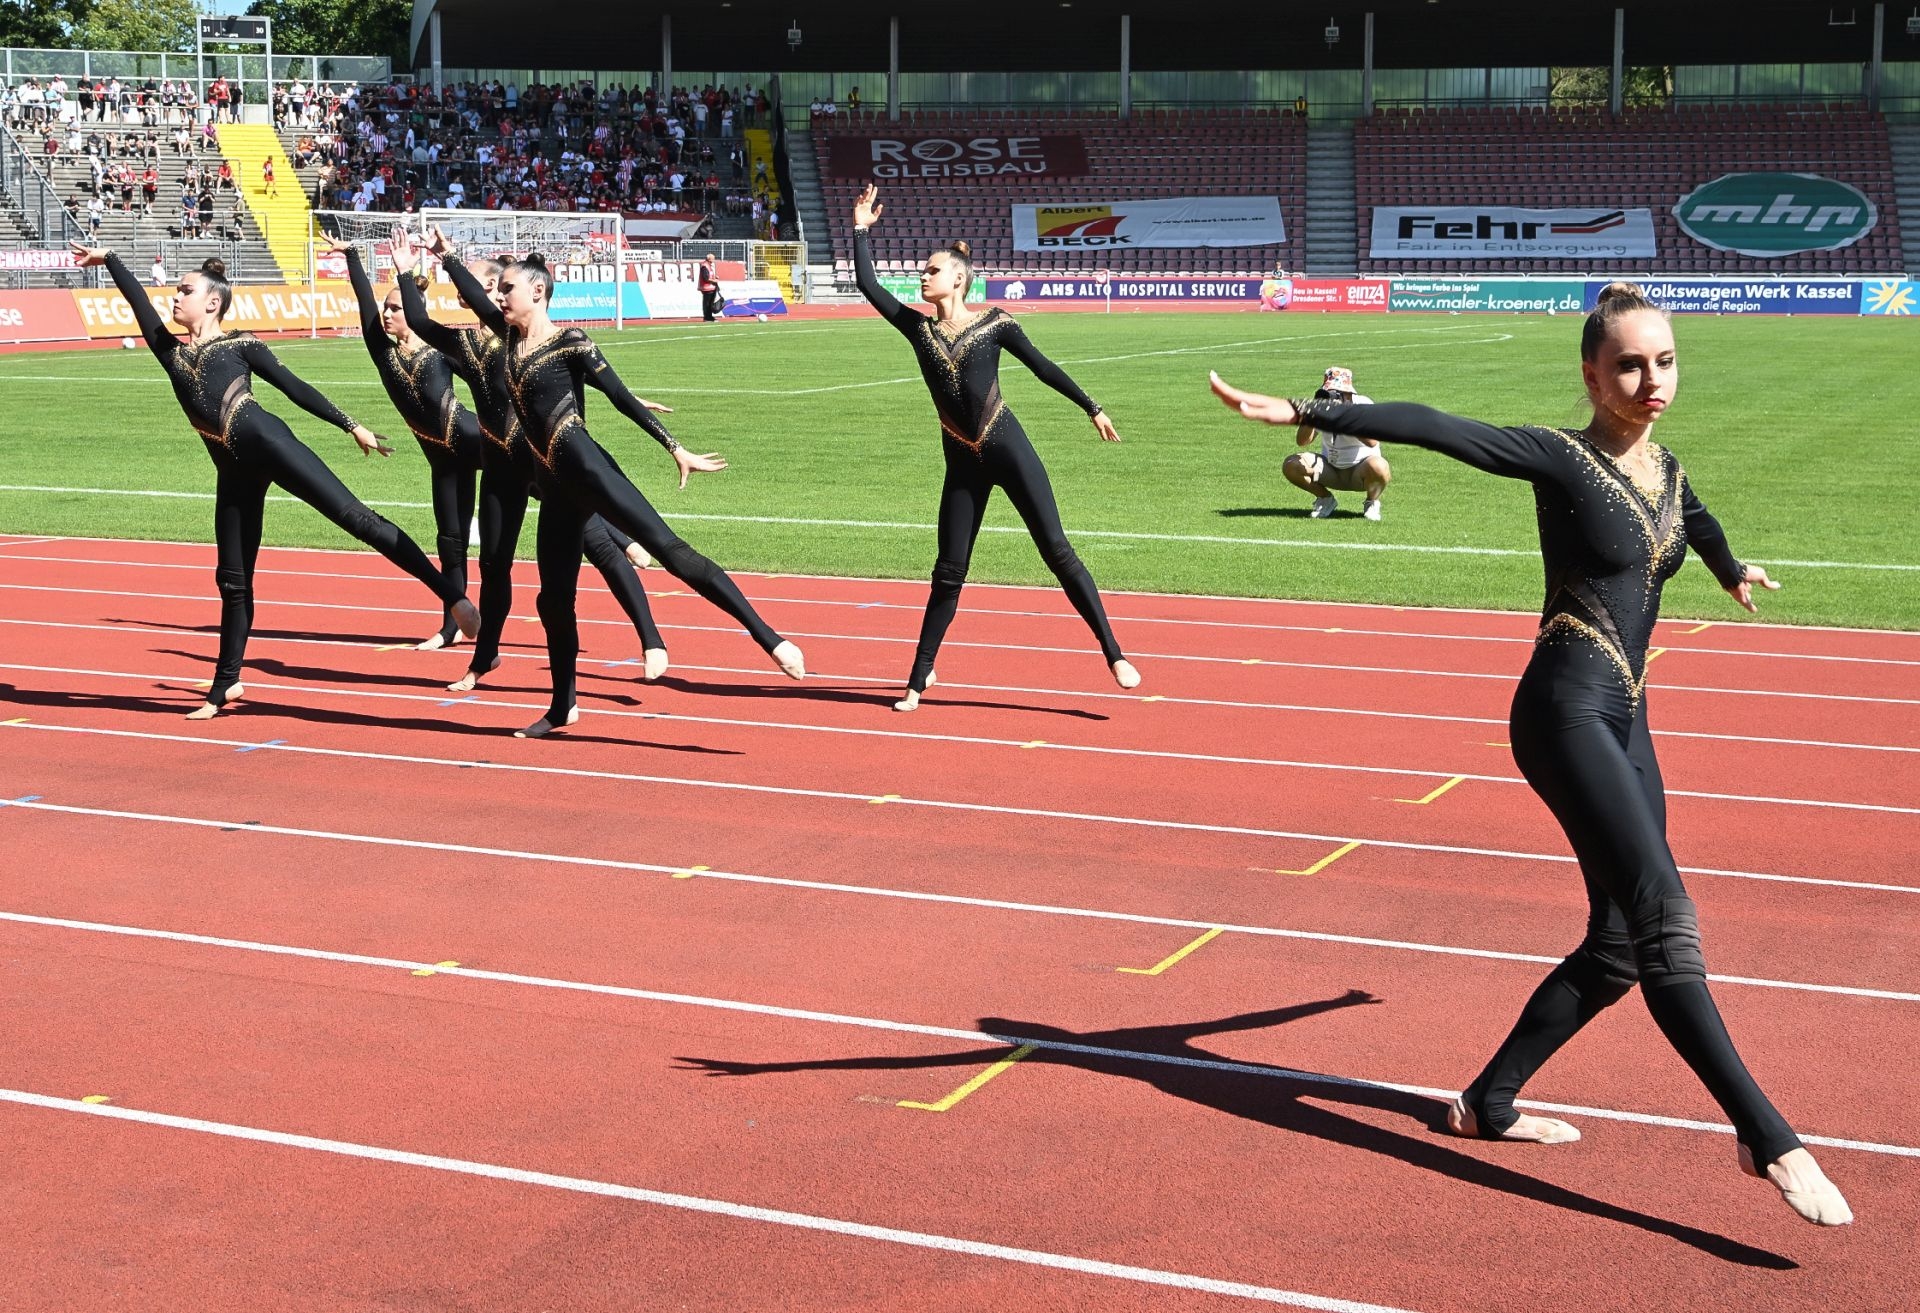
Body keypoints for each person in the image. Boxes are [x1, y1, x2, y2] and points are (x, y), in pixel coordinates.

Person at [1207, 281, 1850, 1228]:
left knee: (1619, 947)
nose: (1651, 380)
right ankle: (1766, 1134)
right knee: (1665, 918)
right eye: (1628, 365)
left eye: (1665, 361)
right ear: (1591, 375)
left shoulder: (1666, 468)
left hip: (1627, 713)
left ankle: (1486, 1102)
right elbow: (1443, 429)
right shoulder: (1561, 458)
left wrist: (1727, 565)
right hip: (1562, 711)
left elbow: (1694, 516)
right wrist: (1315, 410)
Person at [68, 241, 478, 719]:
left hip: (271, 444)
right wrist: (110, 259)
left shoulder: (241, 345)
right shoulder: (171, 354)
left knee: (357, 519)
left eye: (185, 291)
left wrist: (351, 425)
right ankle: (226, 683)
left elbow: (295, 387)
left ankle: (451, 596)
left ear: (213, 302)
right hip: (232, 470)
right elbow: (139, 303)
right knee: (231, 580)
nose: (175, 297)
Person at [447, 245, 805, 737]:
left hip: (590, 473)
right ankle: (563, 706)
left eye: (508, 288)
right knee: (553, 602)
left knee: (672, 552)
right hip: (553, 490)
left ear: (538, 291)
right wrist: (446, 257)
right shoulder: (508, 338)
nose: (499, 297)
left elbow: (618, 396)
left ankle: (768, 637)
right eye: (498, 290)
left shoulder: (571, 342)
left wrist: (675, 448)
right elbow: (474, 295)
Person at [850, 183, 1137, 711]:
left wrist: (1092, 406)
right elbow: (869, 285)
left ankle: (1113, 652)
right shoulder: (918, 330)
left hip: (1008, 448)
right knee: (948, 573)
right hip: (961, 461)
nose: (922, 276)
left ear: (958, 278)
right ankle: (917, 677)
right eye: (922, 272)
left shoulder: (995, 323)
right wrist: (861, 231)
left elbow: (1043, 367)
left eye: (931, 271)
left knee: (1058, 552)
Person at [391, 225, 675, 693]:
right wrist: (405, 272)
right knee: (494, 566)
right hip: (499, 466)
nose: (490, 295)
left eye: (497, 287)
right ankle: (484, 658)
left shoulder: (514, 339)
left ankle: (651, 638)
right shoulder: (466, 345)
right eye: (492, 289)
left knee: (598, 545)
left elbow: (569, 374)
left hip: (537, 457)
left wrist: (449, 258)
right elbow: (421, 324)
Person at [1287, 366, 1391, 520]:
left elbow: (1372, 441)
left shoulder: (1364, 405)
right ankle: (1325, 499)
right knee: (1291, 464)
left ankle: (1372, 502)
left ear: (1348, 393)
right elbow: (1302, 441)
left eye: (1336, 393)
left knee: (1379, 466)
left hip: (1361, 472)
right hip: (1331, 470)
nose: (1331, 398)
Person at [696, 254, 721, 322]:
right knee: (707, 304)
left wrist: (715, 278)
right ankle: (707, 317)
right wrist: (714, 281)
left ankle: (710, 317)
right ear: (709, 259)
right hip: (707, 288)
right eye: (713, 258)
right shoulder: (705, 266)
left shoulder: (709, 266)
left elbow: (709, 276)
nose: (714, 260)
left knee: (710, 304)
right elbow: (706, 278)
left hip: (711, 287)